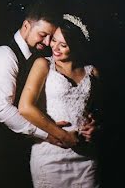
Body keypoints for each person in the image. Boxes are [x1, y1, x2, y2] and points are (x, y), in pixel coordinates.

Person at [0, 2, 78, 185]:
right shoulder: (5, 55)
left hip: (33, 151)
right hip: (1, 150)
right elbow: (3, 110)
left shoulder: (38, 56)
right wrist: (48, 133)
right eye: (42, 35)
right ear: (26, 26)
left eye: (50, 38)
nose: (46, 43)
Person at [19, 13, 100, 188]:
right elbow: (25, 107)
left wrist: (96, 126)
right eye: (54, 40)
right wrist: (62, 135)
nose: (54, 47)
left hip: (86, 157)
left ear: (77, 46)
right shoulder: (43, 65)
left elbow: (101, 112)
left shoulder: (92, 72)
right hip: (51, 156)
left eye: (63, 45)